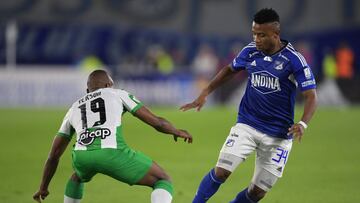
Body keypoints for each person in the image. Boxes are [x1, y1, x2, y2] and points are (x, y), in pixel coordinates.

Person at [180, 8, 317, 203]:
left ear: (275, 35)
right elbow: (229, 69)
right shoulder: (250, 51)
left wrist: (303, 123)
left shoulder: (294, 60)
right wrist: (206, 91)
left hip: (279, 135)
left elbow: (311, 95)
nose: (257, 39)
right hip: (248, 124)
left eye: (262, 35)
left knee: (257, 193)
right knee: (222, 171)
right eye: (254, 34)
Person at [33, 70, 193, 203]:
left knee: (77, 177)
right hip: (112, 153)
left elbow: (53, 155)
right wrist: (176, 131)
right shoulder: (118, 94)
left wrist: (43, 186)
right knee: (162, 180)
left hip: (81, 157)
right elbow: (156, 122)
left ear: (88, 91)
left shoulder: (74, 107)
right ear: (108, 85)